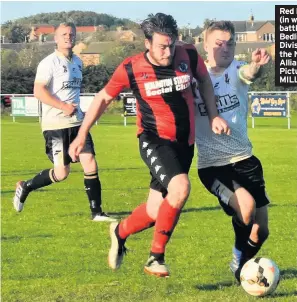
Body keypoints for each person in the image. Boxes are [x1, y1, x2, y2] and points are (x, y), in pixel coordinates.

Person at [69, 13, 229, 277]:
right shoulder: (131, 68)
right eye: (162, 46)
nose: (168, 52)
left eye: (171, 45)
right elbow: (102, 99)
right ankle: (156, 257)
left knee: (156, 210)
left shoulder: (188, 55)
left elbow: (204, 82)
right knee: (180, 189)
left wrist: (213, 115)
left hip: (184, 144)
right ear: (147, 43)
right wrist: (81, 134)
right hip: (154, 139)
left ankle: (119, 233)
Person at [13, 22, 115, 222]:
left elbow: (72, 93)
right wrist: (63, 106)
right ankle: (26, 186)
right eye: (64, 34)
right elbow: (38, 91)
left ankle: (97, 213)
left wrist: (81, 112)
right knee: (61, 173)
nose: (68, 37)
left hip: (77, 124)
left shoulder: (77, 61)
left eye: (71, 34)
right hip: (55, 125)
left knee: (90, 162)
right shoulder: (48, 63)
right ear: (56, 39)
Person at [194, 21, 271, 282]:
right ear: (205, 45)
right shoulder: (194, 77)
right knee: (246, 209)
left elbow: (250, 73)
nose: (225, 48)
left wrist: (257, 66)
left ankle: (240, 260)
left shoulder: (237, 70)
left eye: (230, 43)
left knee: (261, 231)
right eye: (218, 43)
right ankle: (241, 268)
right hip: (212, 166)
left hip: (245, 160)